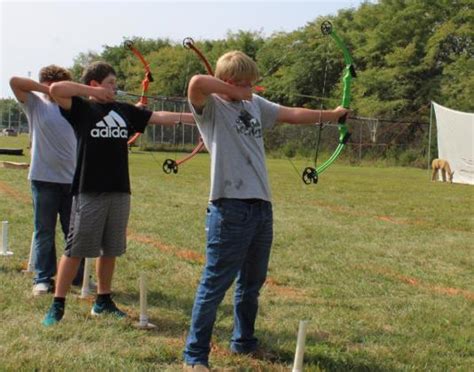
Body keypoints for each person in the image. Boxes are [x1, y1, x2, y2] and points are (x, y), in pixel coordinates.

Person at [182, 51, 349, 371]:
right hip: (229, 206)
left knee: (251, 284)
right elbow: (197, 82)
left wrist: (333, 114)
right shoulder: (211, 109)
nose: (249, 88)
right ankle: (194, 356)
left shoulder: (255, 106)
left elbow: (293, 114)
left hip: (261, 207)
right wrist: (233, 91)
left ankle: (243, 342)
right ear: (227, 81)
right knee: (215, 284)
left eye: (251, 83)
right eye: (242, 83)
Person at [41, 61, 194, 326]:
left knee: (109, 249)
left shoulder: (123, 111)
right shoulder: (80, 108)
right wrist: (94, 94)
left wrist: (196, 117)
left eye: (115, 83)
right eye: (110, 83)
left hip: (119, 189)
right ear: (94, 85)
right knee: (75, 249)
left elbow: (158, 117)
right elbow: (56, 89)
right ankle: (58, 304)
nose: (115, 87)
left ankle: (103, 301)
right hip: (89, 189)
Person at [9, 66, 88, 296]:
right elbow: (15, 80)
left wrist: (62, 92)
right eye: (48, 83)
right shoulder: (35, 104)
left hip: (72, 180)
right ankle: (43, 278)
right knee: (44, 231)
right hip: (43, 179)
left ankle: (77, 276)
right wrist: (48, 90)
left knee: (73, 232)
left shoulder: (75, 107)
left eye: (59, 83)